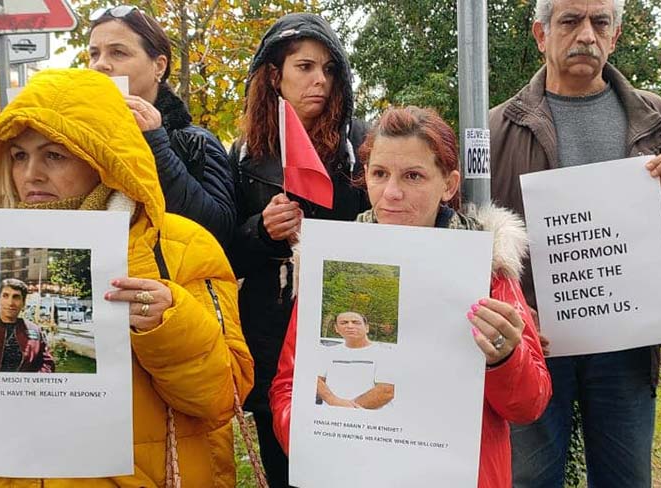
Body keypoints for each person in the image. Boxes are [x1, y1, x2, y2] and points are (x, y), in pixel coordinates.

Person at [0, 69, 254, 486]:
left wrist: (170, 323)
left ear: (103, 158)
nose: (31, 174)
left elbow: (222, 398)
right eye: (19, 156)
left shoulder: (181, 245)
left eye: (54, 155)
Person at [488, 0, 661, 485]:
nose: (586, 35)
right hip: (536, 341)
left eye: (600, 22)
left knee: (626, 478)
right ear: (540, 34)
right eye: (570, 21)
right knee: (530, 479)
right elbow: (476, 239)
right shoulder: (496, 129)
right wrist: (514, 314)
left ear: (615, 35)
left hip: (626, 345)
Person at [269, 106, 552, 487]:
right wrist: (314, 440)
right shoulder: (335, 264)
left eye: (413, 176)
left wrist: (504, 358)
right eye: (379, 174)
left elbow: (529, 404)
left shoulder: (488, 268)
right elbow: (289, 387)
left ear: (449, 184)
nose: (392, 193)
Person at [227, 13, 370, 486]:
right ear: (274, 75)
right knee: (284, 462)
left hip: (344, 329)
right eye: (305, 67)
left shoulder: (361, 147)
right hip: (271, 339)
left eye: (329, 69)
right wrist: (262, 231)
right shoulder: (242, 154)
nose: (320, 80)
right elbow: (223, 252)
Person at [88, 5, 235, 248]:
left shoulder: (195, 142)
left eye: (118, 53)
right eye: (94, 54)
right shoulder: (78, 138)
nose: (100, 65)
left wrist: (156, 145)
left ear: (159, 66)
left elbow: (219, 232)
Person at [0, 278, 54, 373]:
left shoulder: (34, 330)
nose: (10, 303)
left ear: (23, 302)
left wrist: (32, 380)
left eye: (16, 297)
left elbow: (47, 363)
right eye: (5, 296)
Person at [316, 311, 395, 409]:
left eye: (356, 322)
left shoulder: (385, 354)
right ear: (336, 328)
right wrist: (333, 401)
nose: (350, 326)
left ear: (367, 328)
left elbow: (386, 391)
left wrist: (349, 409)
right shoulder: (327, 353)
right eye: (344, 323)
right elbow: (316, 380)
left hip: (371, 417)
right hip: (331, 416)